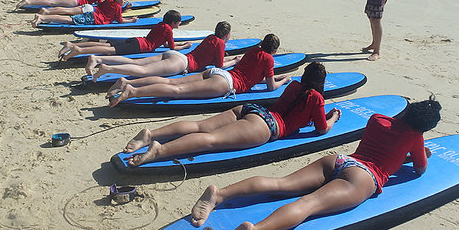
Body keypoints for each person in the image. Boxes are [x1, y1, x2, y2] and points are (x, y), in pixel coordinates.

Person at [192, 96, 442, 230]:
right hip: (364, 177)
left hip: (341, 161)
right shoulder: (415, 138)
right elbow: (420, 170)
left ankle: (219, 195)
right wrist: (416, 153)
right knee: (308, 203)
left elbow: (383, 144)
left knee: (281, 183)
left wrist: (404, 143)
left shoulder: (377, 119)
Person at [122, 62, 341, 167]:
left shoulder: (294, 86)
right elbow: (321, 129)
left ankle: (151, 135)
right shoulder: (317, 98)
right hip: (268, 125)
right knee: (210, 141)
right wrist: (332, 117)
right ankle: (159, 150)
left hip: (253, 109)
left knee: (201, 127)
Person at [107, 33, 291, 108]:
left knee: (171, 82)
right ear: (274, 50)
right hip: (226, 83)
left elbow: (252, 76)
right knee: (177, 91)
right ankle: (133, 91)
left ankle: (127, 82)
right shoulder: (268, 59)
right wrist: (284, 80)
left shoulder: (253, 51)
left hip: (216, 73)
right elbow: (270, 87)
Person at [88, 21, 241, 80]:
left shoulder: (210, 37)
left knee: (135, 62)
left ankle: (98, 59)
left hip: (176, 55)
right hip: (182, 64)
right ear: (227, 35)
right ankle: (107, 68)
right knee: (143, 71)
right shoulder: (220, 42)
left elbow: (209, 55)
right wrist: (234, 61)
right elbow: (219, 66)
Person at [58, 10, 191, 60]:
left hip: (137, 40)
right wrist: (184, 46)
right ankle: (79, 50)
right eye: (178, 23)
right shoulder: (169, 30)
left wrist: (180, 44)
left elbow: (166, 43)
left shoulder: (160, 25)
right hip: (140, 47)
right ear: (174, 22)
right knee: (109, 50)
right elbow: (172, 48)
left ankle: (73, 44)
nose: (179, 25)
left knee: (107, 45)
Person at [31, 0, 137, 27]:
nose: (124, 2)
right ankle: (42, 18)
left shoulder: (110, 1)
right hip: (94, 18)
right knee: (69, 19)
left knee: (68, 15)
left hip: (92, 14)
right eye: (123, 0)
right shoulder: (117, 7)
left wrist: (125, 8)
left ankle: (44, 15)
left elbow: (111, 13)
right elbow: (120, 20)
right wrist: (132, 20)